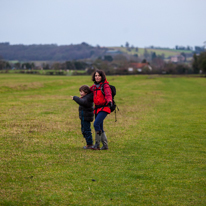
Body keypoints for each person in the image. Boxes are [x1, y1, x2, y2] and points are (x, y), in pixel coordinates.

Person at [90, 70, 113, 150]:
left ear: (102, 77)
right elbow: (88, 92)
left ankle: (97, 144)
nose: (97, 77)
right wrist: (81, 96)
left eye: (99, 76)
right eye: (96, 75)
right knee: (100, 126)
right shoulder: (94, 87)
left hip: (104, 108)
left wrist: (109, 101)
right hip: (97, 108)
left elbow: (108, 94)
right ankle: (105, 145)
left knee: (96, 124)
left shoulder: (105, 86)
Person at [71, 85, 94, 149]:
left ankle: (89, 144)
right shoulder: (85, 98)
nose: (80, 93)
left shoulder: (87, 99)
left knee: (87, 130)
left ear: (86, 92)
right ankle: (88, 142)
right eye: (80, 92)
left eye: (82, 92)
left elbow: (82, 102)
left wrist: (75, 98)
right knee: (83, 130)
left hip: (86, 118)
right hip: (83, 117)